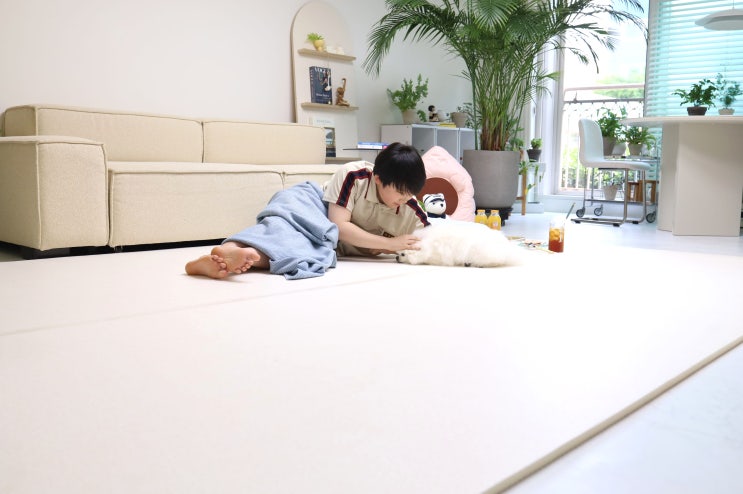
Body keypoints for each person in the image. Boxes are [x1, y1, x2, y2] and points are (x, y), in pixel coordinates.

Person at [185, 142, 429, 280]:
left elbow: (432, 238)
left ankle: (234, 259)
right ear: (377, 179)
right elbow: (339, 226)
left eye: (410, 193)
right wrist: (389, 243)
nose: (404, 199)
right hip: (315, 206)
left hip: (331, 237)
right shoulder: (354, 175)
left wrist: (402, 246)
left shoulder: (408, 206)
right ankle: (228, 250)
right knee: (281, 227)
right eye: (400, 192)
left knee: (307, 251)